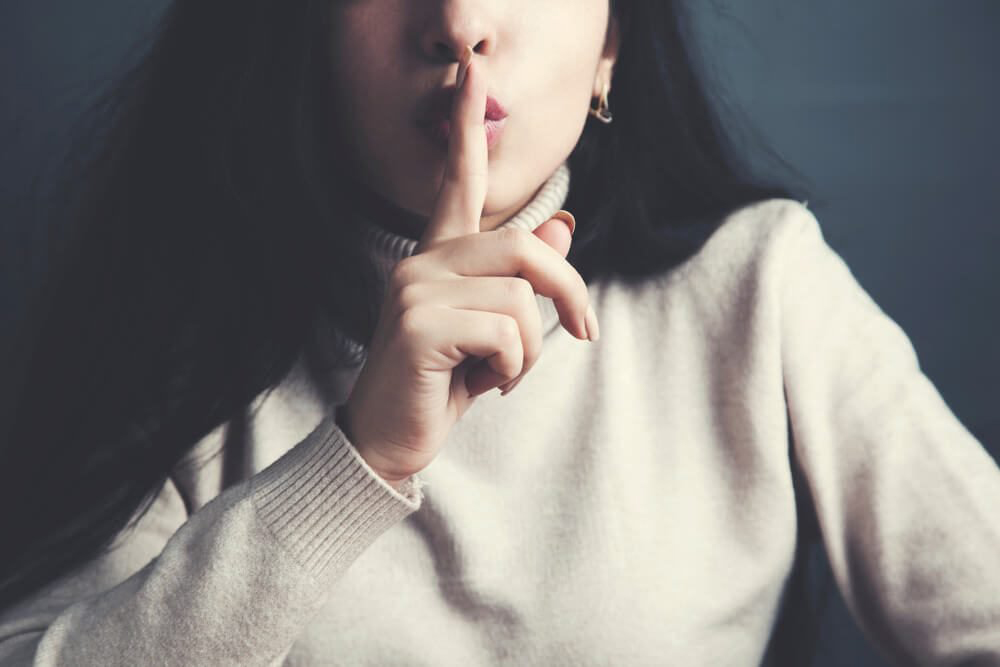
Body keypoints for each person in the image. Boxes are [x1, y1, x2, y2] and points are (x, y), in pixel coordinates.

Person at [1, 0, 998, 665]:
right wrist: (355, 461)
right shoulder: (180, 339)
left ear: (612, 44)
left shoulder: (758, 289)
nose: (459, 23)